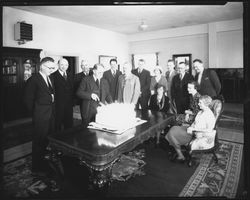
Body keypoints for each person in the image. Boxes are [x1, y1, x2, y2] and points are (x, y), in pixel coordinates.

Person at [23, 57, 57, 175]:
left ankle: (43, 162)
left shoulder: (49, 78)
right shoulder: (33, 79)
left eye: (53, 68)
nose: (52, 70)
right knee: (38, 142)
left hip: (49, 115)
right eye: (50, 67)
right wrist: (36, 114)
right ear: (42, 66)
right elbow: (28, 101)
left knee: (45, 141)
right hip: (40, 117)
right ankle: (37, 167)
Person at [165, 95, 215, 161]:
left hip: (196, 134)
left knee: (172, 133)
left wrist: (194, 129)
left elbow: (209, 129)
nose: (198, 104)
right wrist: (191, 126)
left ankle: (180, 155)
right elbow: (195, 122)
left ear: (206, 104)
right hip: (191, 129)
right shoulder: (201, 111)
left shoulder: (209, 115)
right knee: (173, 128)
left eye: (200, 103)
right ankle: (178, 149)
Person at [52, 58, 74, 132]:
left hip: (69, 106)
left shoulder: (70, 75)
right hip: (58, 106)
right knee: (57, 126)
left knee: (69, 125)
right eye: (62, 64)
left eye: (66, 65)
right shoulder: (53, 76)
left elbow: (72, 89)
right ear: (58, 65)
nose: (64, 66)